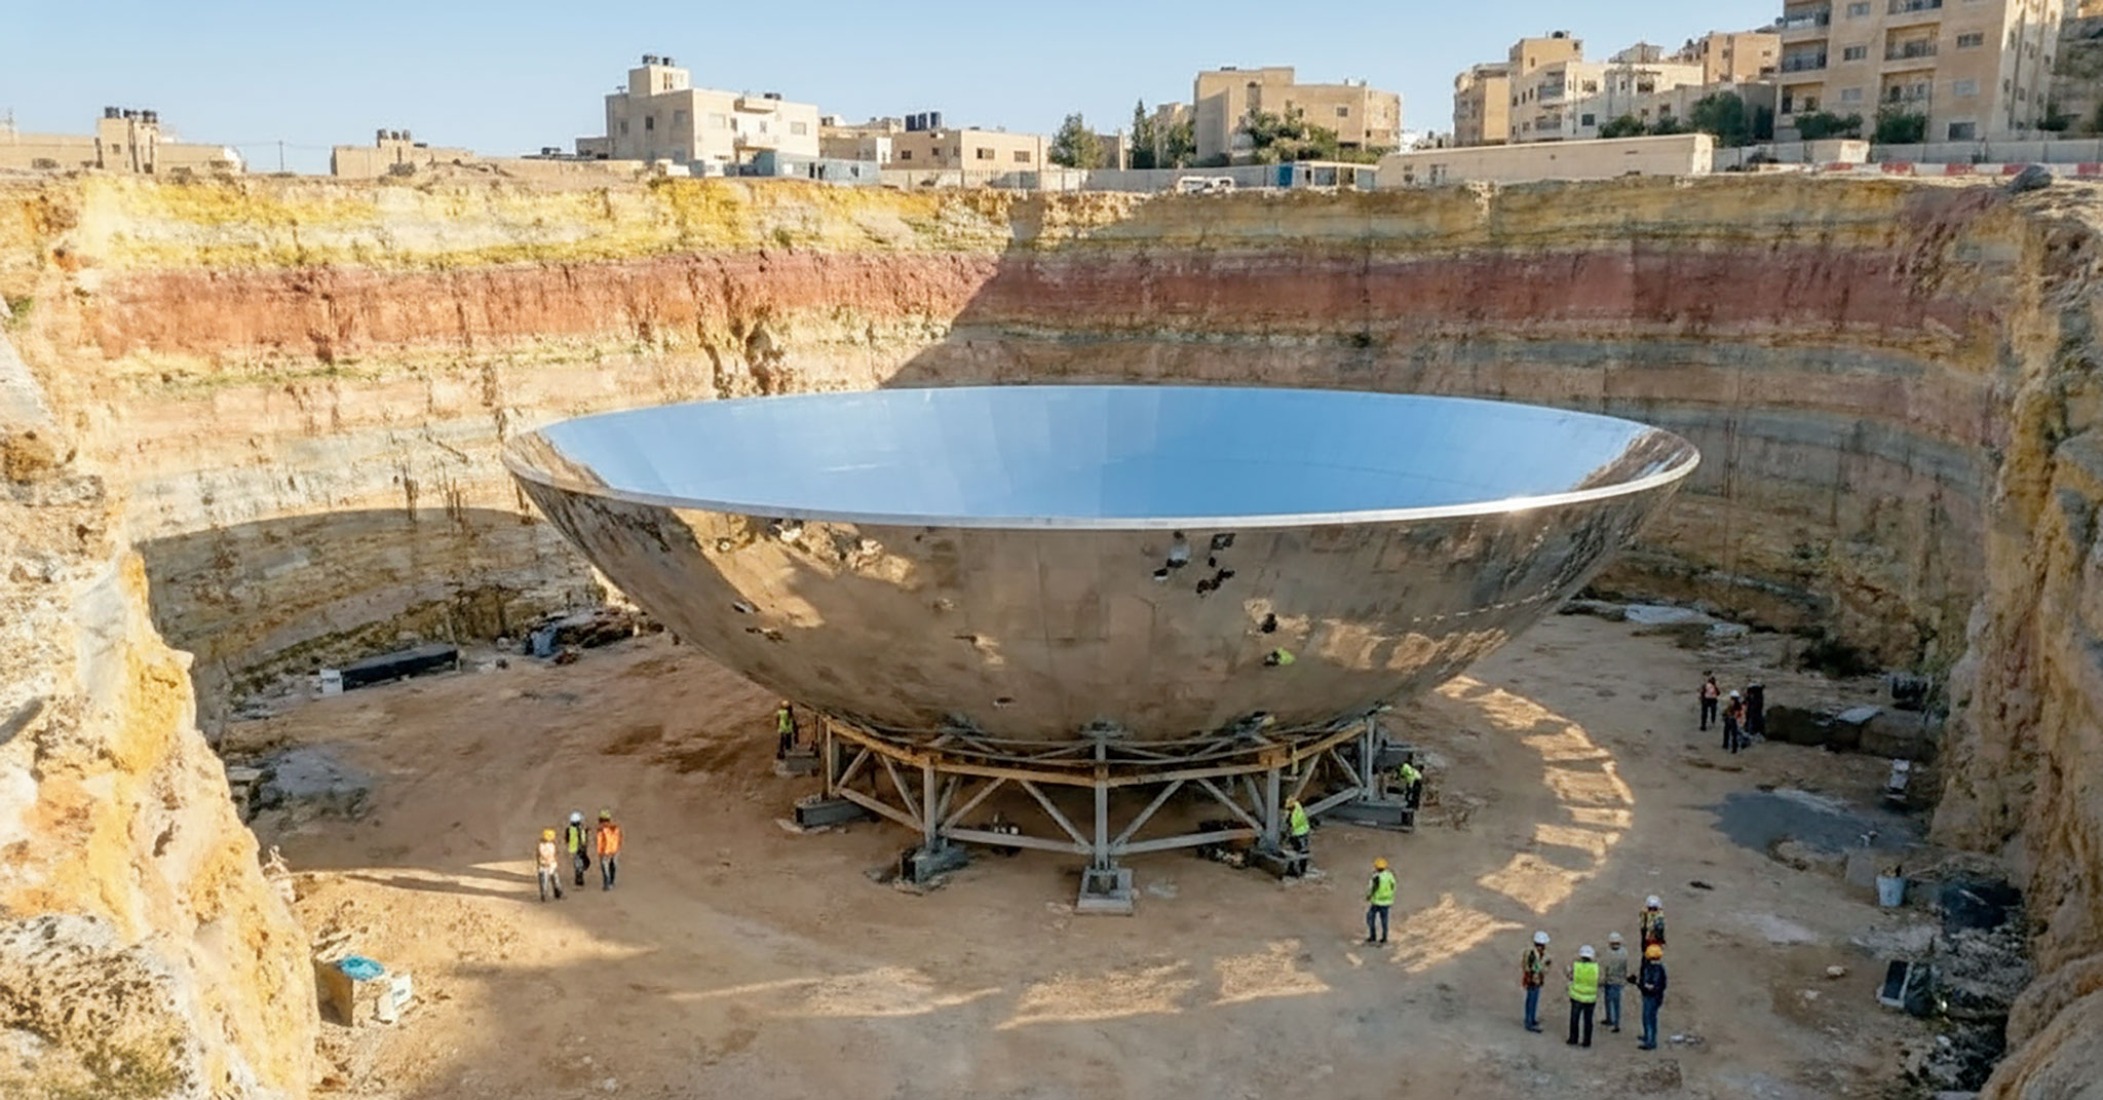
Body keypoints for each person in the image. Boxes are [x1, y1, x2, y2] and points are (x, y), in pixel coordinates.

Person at [1567, 944, 1600, 1048]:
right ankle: (1587, 1041)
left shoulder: (1576, 966)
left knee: (1574, 1019)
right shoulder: (1596, 968)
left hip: (1577, 996)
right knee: (1588, 1020)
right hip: (1590, 998)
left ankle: (1573, 1039)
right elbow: (1601, 980)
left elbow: (1570, 976)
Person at [1637, 944, 1669, 1051]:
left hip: (1651, 997)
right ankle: (1648, 1037)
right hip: (1654, 997)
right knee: (1649, 1018)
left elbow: (1652, 986)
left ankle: (1650, 1041)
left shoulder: (1653, 969)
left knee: (1649, 1018)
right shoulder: (1659, 968)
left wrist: (1643, 986)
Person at [1521, 931, 1551, 1033]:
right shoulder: (1532, 954)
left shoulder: (1535, 953)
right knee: (1531, 1000)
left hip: (1536, 979)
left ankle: (1531, 1019)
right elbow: (1531, 968)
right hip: (1532, 980)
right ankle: (1529, 1022)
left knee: (1533, 999)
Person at [1601, 932, 1630, 1034]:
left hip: (1610, 980)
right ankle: (1614, 1021)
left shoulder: (1609, 953)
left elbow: (1606, 968)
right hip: (1619, 981)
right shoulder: (1624, 953)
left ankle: (1612, 1020)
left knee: (1610, 1002)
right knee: (1615, 1003)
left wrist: (1602, 980)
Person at [1364, 857, 1396, 945]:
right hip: (1387, 902)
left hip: (1376, 902)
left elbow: (1372, 889)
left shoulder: (1376, 877)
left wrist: (1368, 896)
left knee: (1370, 918)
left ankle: (1373, 937)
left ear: (1376, 867)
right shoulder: (1390, 875)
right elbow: (1393, 886)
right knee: (1384, 921)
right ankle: (1384, 938)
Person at [595, 809, 623, 890]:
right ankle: (612, 882)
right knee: (613, 866)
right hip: (615, 850)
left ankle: (607, 884)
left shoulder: (601, 830)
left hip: (605, 851)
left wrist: (600, 852)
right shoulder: (615, 828)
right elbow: (619, 839)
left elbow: (600, 842)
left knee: (605, 868)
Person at [563, 810, 592, 887]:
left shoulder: (568, 829)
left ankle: (578, 878)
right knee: (580, 864)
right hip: (580, 849)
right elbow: (583, 840)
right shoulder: (581, 830)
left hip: (573, 849)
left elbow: (567, 839)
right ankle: (579, 878)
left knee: (577, 863)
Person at [535, 828, 564, 902]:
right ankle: (544, 895)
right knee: (544, 881)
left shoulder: (549, 845)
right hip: (544, 865)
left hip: (551, 865)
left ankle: (558, 893)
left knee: (555, 880)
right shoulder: (542, 846)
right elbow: (543, 854)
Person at [1285, 797, 1311, 870]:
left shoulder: (1294, 817)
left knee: (1298, 851)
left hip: (1299, 833)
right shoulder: (1297, 805)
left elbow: (1292, 826)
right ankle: (1302, 868)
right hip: (1304, 830)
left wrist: (1288, 835)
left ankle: (1298, 869)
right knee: (1303, 850)